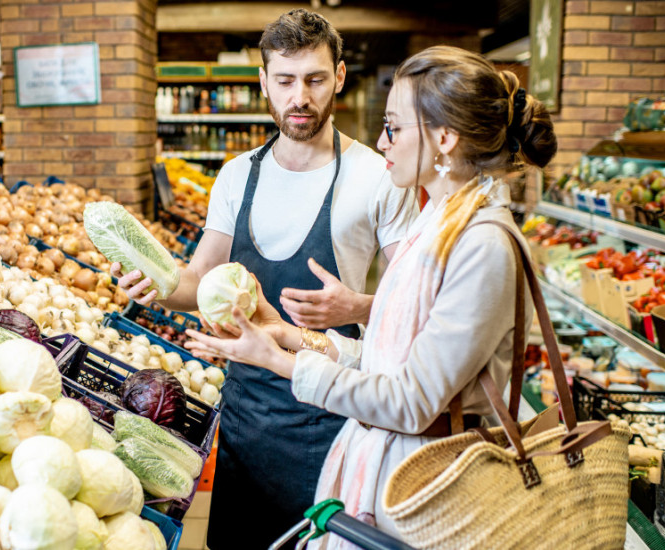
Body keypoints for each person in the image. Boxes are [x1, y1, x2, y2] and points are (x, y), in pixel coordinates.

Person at [185, 45, 557, 546]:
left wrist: (280, 362)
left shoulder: (483, 245)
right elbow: (389, 360)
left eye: (395, 127)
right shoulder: (439, 226)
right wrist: (289, 335)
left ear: (444, 138)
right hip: (387, 470)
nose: (383, 141)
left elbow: (409, 402)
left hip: (426, 488)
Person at [112, 9, 415, 548]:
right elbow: (198, 281)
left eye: (316, 80)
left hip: (334, 414)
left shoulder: (377, 176)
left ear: (339, 78)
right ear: (264, 83)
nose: (300, 96)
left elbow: (412, 302)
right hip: (246, 420)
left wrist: (358, 308)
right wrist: (155, 282)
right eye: (286, 80)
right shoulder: (236, 176)